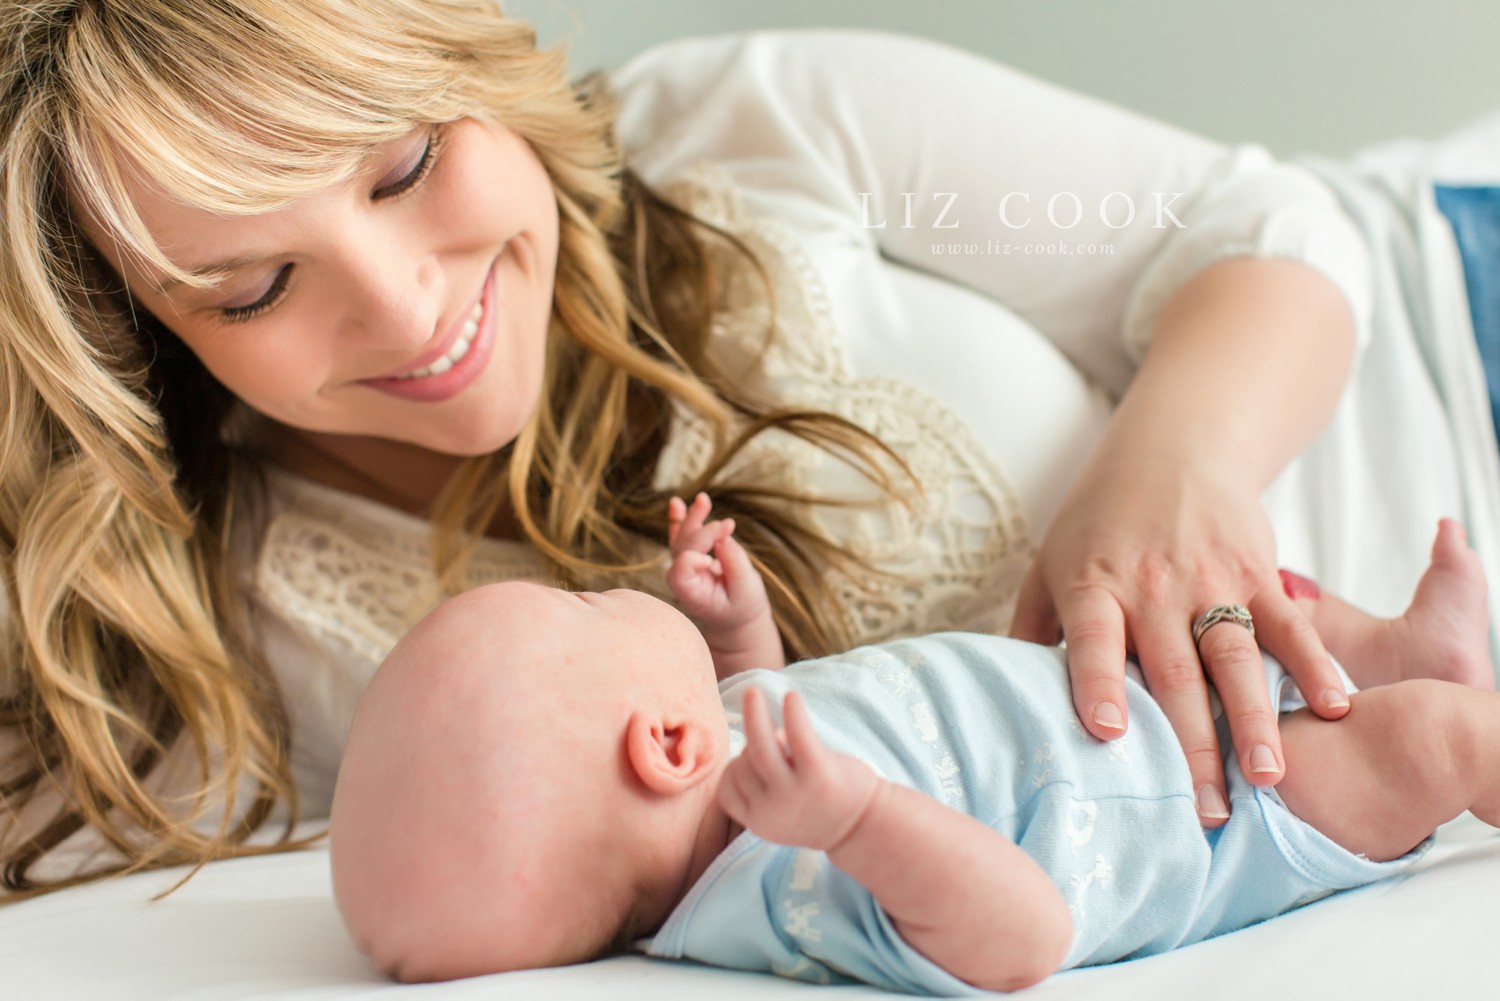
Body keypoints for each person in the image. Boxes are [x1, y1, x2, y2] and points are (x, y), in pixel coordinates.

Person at [0, 1, 1482, 897]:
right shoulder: (238, 629)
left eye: (407, 167)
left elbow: (1266, 231)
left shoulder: (743, 130)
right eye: (252, 287)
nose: (406, 304)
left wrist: (1170, 475)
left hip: (1449, 335)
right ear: (134, 334)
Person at [327, 503, 1497, 989]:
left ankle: (1404, 648)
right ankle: (1445, 704)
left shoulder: (736, 777)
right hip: (1217, 817)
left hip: (1124, 703)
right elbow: (1026, 933)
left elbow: (767, 700)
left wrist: (736, 629)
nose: (599, 592)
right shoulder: (789, 882)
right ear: (666, 742)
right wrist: (857, 820)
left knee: (1283, 617)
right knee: (1435, 744)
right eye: (582, 608)